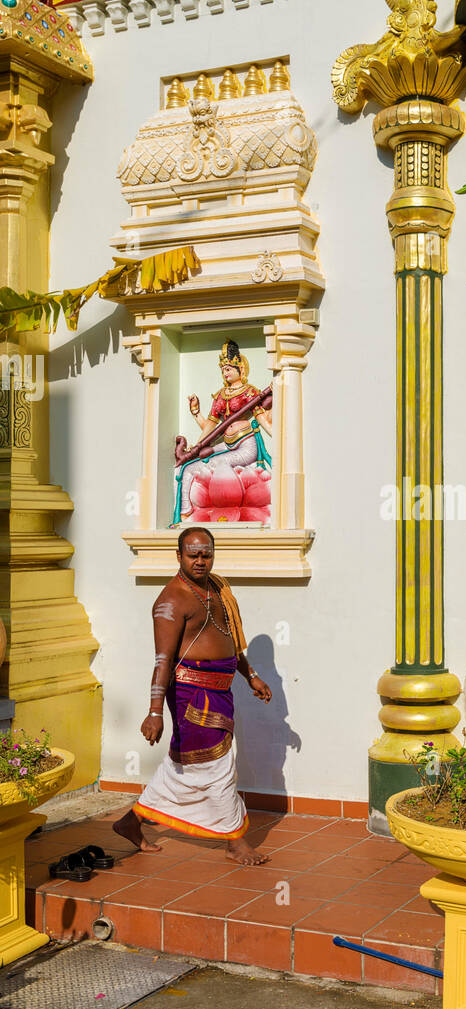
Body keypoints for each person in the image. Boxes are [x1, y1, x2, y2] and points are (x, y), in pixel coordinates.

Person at [113, 527, 273, 865]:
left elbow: (229, 641)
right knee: (217, 766)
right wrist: (155, 712)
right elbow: (163, 660)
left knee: (184, 768)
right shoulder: (170, 601)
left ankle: (133, 821)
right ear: (178, 556)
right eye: (193, 555)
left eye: (206, 554)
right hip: (192, 695)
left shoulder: (217, 588)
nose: (200, 561)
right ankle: (234, 841)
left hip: (221, 691)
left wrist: (251, 676)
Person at [173, 338, 272, 524]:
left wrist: (277, 434)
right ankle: (184, 512)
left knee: (210, 466)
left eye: (228, 369)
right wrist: (196, 414)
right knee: (186, 467)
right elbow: (212, 429)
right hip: (226, 444)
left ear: (240, 369)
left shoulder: (250, 392)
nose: (225, 373)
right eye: (223, 370)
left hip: (246, 446)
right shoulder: (220, 395)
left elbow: (262, 420)